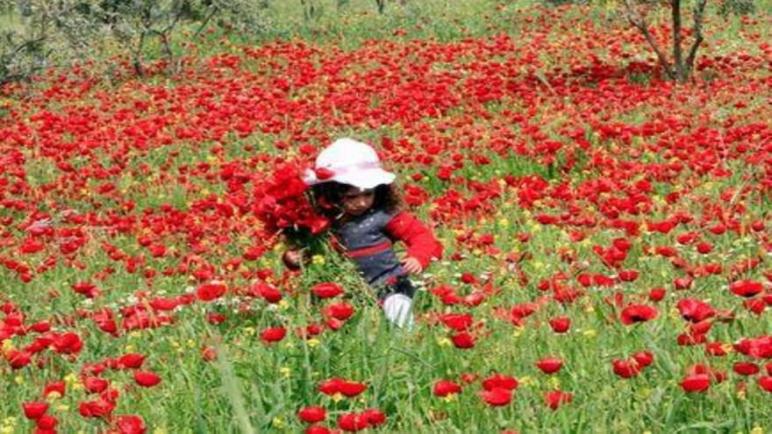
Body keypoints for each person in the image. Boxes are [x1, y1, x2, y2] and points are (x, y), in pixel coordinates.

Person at [283, 138, 443, 328]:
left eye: (368, 194)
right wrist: (293, 258)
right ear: (329, 194)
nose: (361, 203)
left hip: (389, 283)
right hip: (344, 290)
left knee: (397, 310)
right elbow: (307, 254)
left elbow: (421, 236)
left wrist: (418, 257)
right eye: (351, 197)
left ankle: (407, 341)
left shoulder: (383, 215)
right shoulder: (319, 223)